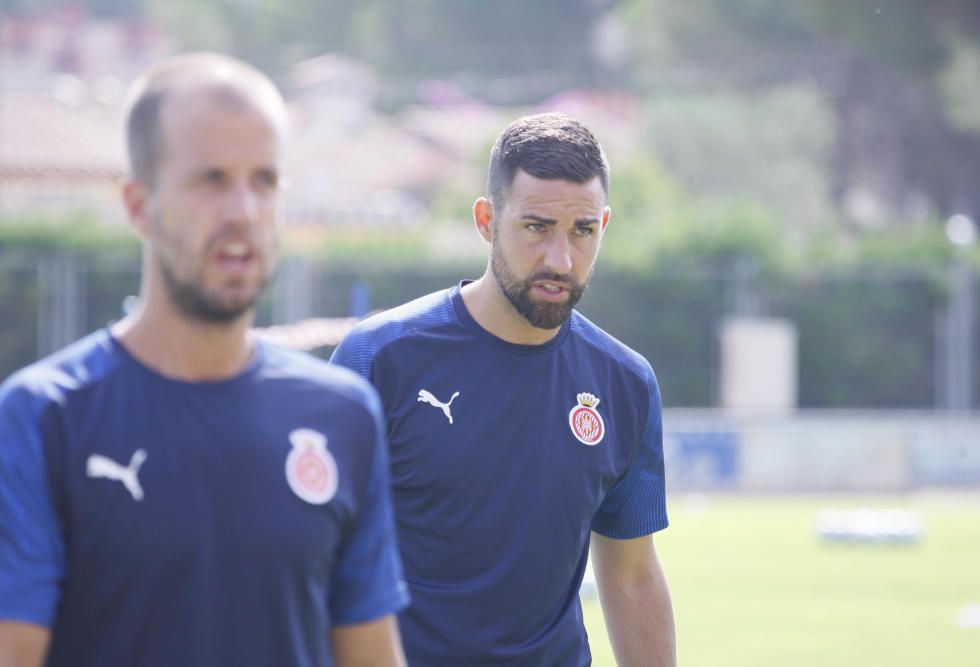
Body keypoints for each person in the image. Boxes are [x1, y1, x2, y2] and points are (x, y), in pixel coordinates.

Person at [0, 53, 409, 667]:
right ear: (138, 205)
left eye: (264, 180)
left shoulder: (343, 416)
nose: (243, 210)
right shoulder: (43, 416)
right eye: (210, 179)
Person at [331, 113, 676, 666]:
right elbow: (312, 557)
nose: (560, 259)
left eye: (582, 231)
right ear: (487, 220)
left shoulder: (626, 383)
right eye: (537, 227)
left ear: (603, 225)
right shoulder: (379, 358)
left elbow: (632, 576)